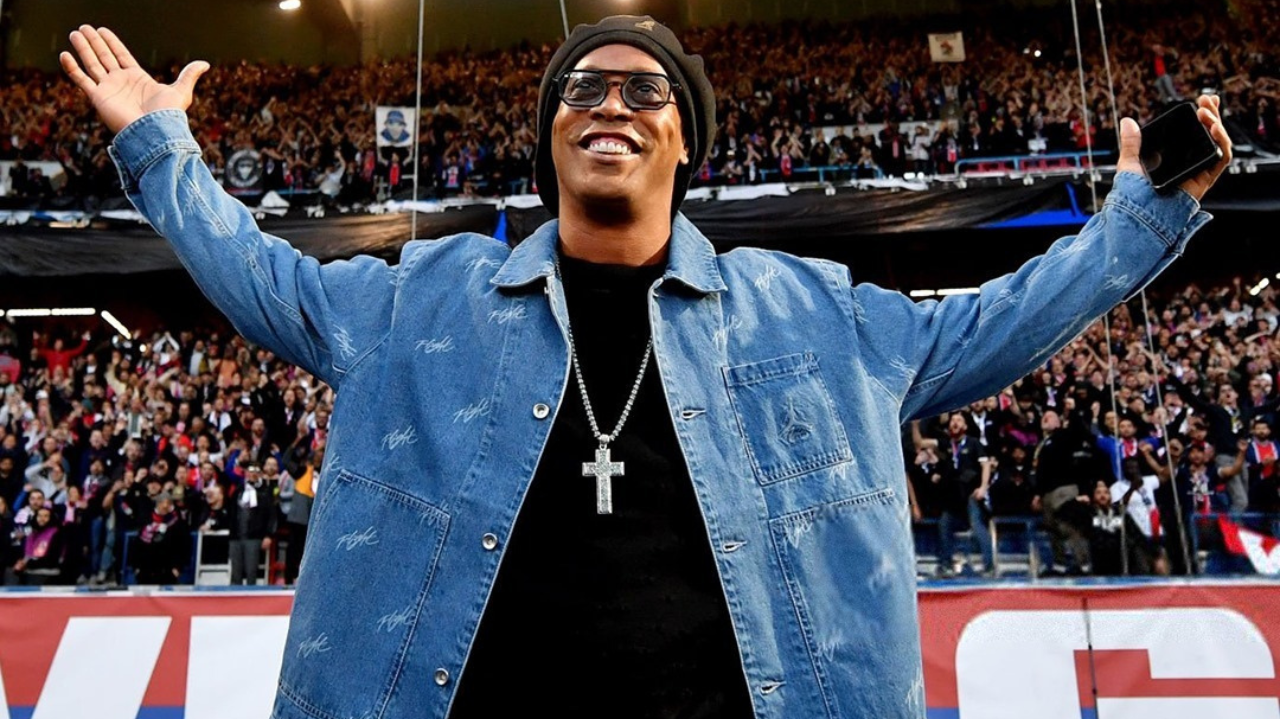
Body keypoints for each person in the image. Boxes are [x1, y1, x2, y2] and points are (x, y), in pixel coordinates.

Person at [62, 16, 1231, 719]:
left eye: (640, 89)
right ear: (551, 139)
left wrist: (1135, 220)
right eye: (581, 89)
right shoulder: (418, 298)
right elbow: (260, 274)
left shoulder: (812, 311)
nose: (607, 103)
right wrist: (160, 150)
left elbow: (994, 321)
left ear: (683, 139)